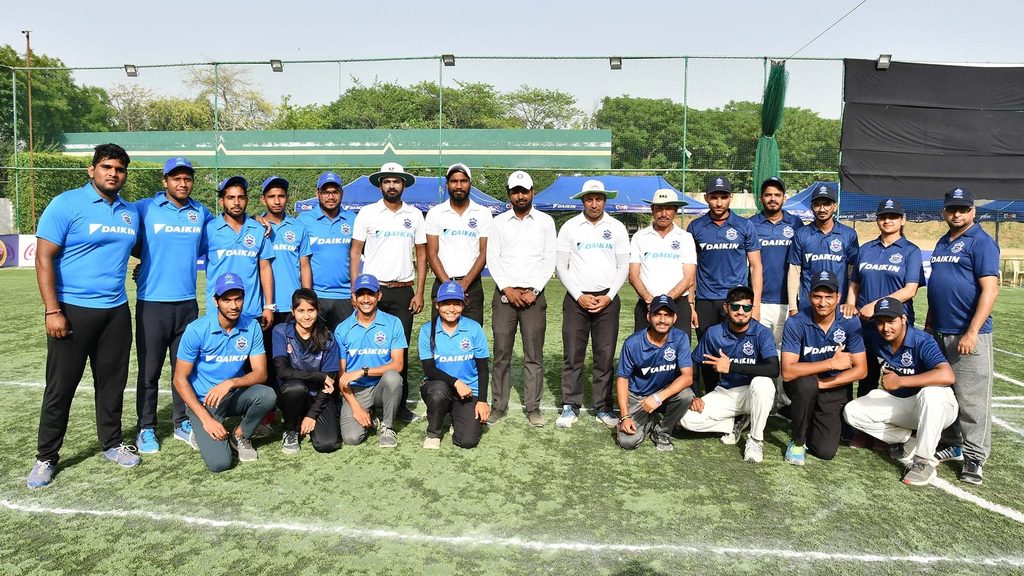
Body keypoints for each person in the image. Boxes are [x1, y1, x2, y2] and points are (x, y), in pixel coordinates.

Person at [28, 143, 142, 488]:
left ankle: (111, 443)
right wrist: (53, 310)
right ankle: (46, 457)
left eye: (120, 169)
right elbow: (43, 258)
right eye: (107, 167)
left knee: (112, 384)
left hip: (115, 312)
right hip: (72, 311)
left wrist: (142, 268)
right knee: (61, 388)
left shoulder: (129, 212)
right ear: (92, 170)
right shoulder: (66, 204)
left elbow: (138, 250)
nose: (113, 173)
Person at [132, 156, 214, 454]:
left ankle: (182, 421)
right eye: (175, 178)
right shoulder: (144, 208)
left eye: (187, 178)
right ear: (164, 181)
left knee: (185, 368)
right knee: (149, 370)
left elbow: (217, 238)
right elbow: (127, 239)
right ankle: (146, 428)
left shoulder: (201, 213)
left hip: (187, 305)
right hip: (151, 304)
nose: (182, 183)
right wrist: (142, 264)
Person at [926, 186, 1000, 485]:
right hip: (940, 330)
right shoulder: (944, 241)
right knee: (947, 394)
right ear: (944, 211)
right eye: (952, 209)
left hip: (969, 334)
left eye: (963, 209)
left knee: (972, 400)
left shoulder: (981, 242)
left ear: (973, 211)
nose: (957, 214)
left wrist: (971, 332)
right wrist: (931, 322)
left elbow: (990, 289)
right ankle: (953, 443)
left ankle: (974, 458)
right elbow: (939, 286)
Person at [844, 297, 958, 486]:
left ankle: (923, 462)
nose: (885, 327)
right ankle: (910, 439)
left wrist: (901, 381)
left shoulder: (921, 340)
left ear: (903, 319)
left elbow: (947, 376)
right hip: (906, 407)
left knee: (931, 394)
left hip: (938, 407)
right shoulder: (875, 337)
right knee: (853, 411)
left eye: (891, 321)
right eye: (880, 322)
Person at [172, 273, 277, 472]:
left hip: (232, 396)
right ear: (215, 301)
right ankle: (199, 429)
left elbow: (261, 373)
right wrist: (206, 420)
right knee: (220, 464)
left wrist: (229, 383)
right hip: (204, 402)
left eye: (238, 298)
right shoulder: (196, 330)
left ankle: (240, 435)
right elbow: (179, 379)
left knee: (267, 395)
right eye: (227, 300)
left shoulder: (252, 326)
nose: (233, 305)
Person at [845, 198, 924, 447]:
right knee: (866, 375)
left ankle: (900, 429)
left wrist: (877, 306)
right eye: (883, 216)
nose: (887, 220)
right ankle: (866, 430)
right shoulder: (866, 249)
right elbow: (855, 283)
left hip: (894, 326)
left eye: (892, 216)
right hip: (864, 325)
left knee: (898, 375)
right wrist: (850, 304)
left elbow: (910, 289)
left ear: (902, 220)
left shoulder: (910, 251)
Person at [350, 162, 425, 423]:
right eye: (387, 181)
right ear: (380, 185)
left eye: (396, 181)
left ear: (403, 185)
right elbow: (355, 252)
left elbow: (422, 254)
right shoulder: (367, 213)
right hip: (373, 289)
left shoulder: (414, 215)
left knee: (398, 352)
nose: (391, 185)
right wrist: (354, 288)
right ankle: (368, 401)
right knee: (369, 346)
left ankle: (398, 407)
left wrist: (420, 291)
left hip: (404, 291)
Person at [554, 179, 629, 429]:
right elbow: (560, 266)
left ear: (605, 201)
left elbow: (623, 267)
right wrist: (578, 295)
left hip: (608, 300)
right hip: (577, 300)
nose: (594, 203)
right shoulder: (570, 227)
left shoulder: (617, 228)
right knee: (573, 355)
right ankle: (570, 405)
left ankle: (603, 407)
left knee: (604, 356)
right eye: (589, 199)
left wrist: (608, 296)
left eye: (598, 199)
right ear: (582, 201)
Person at [486, 170, 557, 426]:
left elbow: (550, 259)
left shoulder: (546, 222)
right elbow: (493, 258)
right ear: (509, 194)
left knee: (533, 355)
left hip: (534, 298)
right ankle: (499, 406)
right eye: (515, 191)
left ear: (532, 192)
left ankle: (533, 408)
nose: (520, 195)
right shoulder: (498, 222)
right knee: (501, 353)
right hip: (505, 296)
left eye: (524, 191)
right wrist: (507, 289)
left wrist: (534, 290)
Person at [680, 286, 778, 463]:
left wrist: (731, 366)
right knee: (686, 419)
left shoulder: (761, 332)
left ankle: (755, 440)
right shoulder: (714, 333)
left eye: (747, 307)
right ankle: (734, 423)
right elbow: (694, 361)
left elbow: (773, 369)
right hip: (726, 392)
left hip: (753, 394)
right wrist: (695, 395)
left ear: (752, 309)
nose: (741, 312)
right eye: (736, 307)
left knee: (763, 384)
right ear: (726, 307)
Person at [781, 270, 867, 465]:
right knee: (806, 385)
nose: (823, 302)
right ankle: (797, 441)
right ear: (809, 296)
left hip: (832, 386)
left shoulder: (850, 321)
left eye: (829, 297)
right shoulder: (796, 322)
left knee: (825, 451)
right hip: (801, 384)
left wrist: (823, 383)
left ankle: (798, 413)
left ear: (838, 298)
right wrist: (831, 363)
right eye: (817, 296)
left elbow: (861, 370)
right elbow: (787, 372)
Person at [687, 176, 762, 394]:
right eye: (714, 197)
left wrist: (754, 305)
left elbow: (756, 266)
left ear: (731, 198)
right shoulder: (696, 227)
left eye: (723, 197)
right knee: (709, 354)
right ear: (706, 198)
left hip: (736, 302)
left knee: (739, 352)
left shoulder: (744, 225)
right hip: (706, 300)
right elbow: (692, 268)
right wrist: (691, 303)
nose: (719, 202)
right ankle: (712, 397)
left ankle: (738, 398)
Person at [615, 295, 695, 452]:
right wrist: (625, 417)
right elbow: (622, 380)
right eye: (657, 314)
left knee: (686, 395)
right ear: (648, 316)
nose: (662, 320)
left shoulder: (680, 338)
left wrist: (658, 397)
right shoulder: (633, 343)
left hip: (662, 393)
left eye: (667, 315)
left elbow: (687, 377)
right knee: (627, 442)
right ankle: (648, 421)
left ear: (674, 318)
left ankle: (662, 431)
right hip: (638, 396)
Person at [333, 274, 406, 448]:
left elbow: (398, 365)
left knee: (393, 378)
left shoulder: (393, 323)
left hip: (381, 385)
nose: (366, 299)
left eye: (370, 294)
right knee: (351, 438)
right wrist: (356, 408)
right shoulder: (342, 329)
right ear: (354, 297)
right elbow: (342, 376)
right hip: (356, 390)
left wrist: (363, 371)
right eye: (361, 294)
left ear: (379, 296)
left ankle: (387, 427)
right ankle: (369, 414)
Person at [418, 281, 490, 449]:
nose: (451, 308)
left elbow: (483, 368)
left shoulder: (474, 328)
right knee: (438, 391)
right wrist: (457, 382)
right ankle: (434, 432)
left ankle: (455, 417)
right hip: (439, 387)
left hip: (467, 391)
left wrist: (482, 401)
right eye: (445, 303)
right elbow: (429, 369)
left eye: (456, 303)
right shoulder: (427, 330)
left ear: (463, 304)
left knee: (467, 441)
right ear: (437, 305)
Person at [271, 288, 341, 454]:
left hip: (319, 397)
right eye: (300, 311)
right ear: (292, 311)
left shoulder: (328, 338)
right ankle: (291, 428)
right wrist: (318, 375)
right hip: (292, 394)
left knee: (328, 444)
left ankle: (306, 418)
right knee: (295, 387)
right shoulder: (281, 331)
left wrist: (312, 415)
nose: (306, 316)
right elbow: (282, 371)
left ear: (318, 309)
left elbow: (329, 383)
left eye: (311, 310)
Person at [424, 163, 493, 325]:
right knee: (440, 339)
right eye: (454, 181)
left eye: (463, 181)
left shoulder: (483, 213)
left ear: (470, 183)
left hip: (472, 287)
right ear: (447, 184)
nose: (459, 185)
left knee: (472, 338)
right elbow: (431, 253)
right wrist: (449, 285)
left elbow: (484, 252)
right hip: (442, 283)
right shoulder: (435, 213)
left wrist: (466, 283)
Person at [203, 175, 276, 329]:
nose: (236, 202)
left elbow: (265, 268)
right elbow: (184, 255)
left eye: (240, 197)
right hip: (218, 313)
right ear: (221, 201)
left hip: (251, 312)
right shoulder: (209, 229)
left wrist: (269, 306)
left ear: (247, 200)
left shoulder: (258, 229)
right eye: (231, 197)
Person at [628, 189, 698, 333]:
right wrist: (649, 300)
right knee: (643, 353)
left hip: (678, 305)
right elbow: (633, 276)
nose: (664, 214)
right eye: (659, 208)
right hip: (646, 305)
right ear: (652, 209)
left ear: (676, 210)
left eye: (668, 208)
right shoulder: (639, 237)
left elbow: (689, 277)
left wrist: (666, 301)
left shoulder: (685, 237)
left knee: (677, 352)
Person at [787, 183, 859, 315]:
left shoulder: (848, 234)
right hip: (808, 306)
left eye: (826, 204)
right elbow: (794, 271)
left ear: (835, 206)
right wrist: (793, 307)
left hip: (839, 305)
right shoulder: (801, 234)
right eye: (817, 204)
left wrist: (850, 302)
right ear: (811, 207)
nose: (822, 209)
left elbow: (852, 273)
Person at [297, 171, 356, 330]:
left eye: (335, 192)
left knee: (344, 347)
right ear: (318, 193)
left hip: (345, 296)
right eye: (326, 192)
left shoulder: (353, 219)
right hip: (317, 296)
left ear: (341, 193)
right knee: (317, 348)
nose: (330, 197)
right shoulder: (304, 220)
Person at [748, 177, 804, 347]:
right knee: (758, 351)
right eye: (768, 195)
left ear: (784, 198)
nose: (773, 198)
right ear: (761, 198)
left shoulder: (796, 223)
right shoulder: (751, 224)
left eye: (777, 195)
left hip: (787, 301)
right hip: (760, 302)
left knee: (784, 352)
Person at [260, 175, 312, 326]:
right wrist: (255, 217)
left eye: (281, 196)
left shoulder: (298, 227)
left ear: (287, 198)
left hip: (292, 304)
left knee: (292, 349)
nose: (277, 201)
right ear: (263, 199)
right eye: (272, 197)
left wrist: (307, 301)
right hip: (263, 306)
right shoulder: (255, 227)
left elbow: (305, 265)